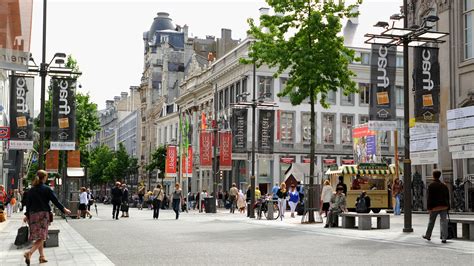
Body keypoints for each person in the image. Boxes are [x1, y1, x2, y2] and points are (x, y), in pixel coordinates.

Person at [23, 170, 71, 265]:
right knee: (42, 236)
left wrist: (26, 215)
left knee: (38, 236)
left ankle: (42, 257)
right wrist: (64, 209)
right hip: (43, 215)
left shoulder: (31, 190)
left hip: (33, 215)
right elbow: (55, 201)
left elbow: (28, 204)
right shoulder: (47, 189)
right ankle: (30, 253)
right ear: (44, 178)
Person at [423, 170, 450, 243]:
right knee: (444, 222)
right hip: (444, 206)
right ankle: (444, 238)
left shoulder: (431, 185)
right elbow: (447, 197)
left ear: (433, 176)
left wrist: (429, 208)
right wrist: (448, 206)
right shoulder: (444, 185)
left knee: (431, 222)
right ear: (440, 176)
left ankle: (428, 235)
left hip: (435, 207)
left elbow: (429, 197)